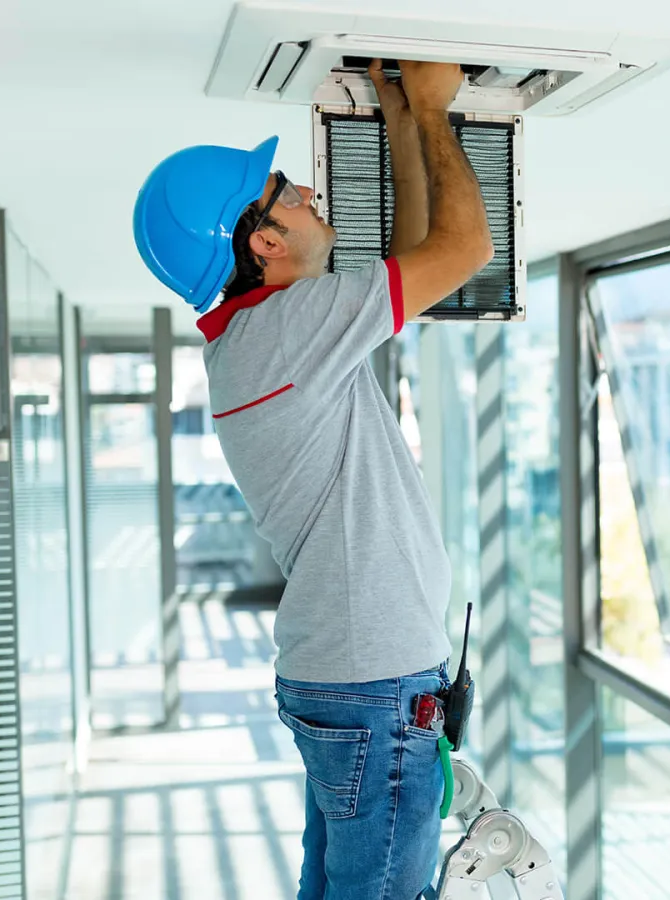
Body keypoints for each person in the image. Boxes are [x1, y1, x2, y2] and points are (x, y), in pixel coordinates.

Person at [130, 60, 492, 899]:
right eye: (287, 190)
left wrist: (405, 118)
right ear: (262, 241)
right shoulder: (291, 332)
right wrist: (435, 108)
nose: (308, 196)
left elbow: (416, 258)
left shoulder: (261, 340)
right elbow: (464, 250)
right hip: (371, 687)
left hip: (356, 681)